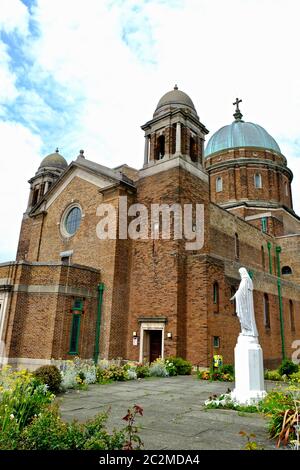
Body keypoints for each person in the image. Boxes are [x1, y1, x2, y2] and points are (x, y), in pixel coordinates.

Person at [231, 267, 258, 337]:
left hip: (245, 304)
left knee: (244, 315)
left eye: (240, 273)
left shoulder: (245, 280)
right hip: (243, 302)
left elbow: (242, 291)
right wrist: (236, 295)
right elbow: (240, 291)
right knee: (242, 316)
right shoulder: (245, 280)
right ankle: (246, 330)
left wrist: (236, 295)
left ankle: (248, 329)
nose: (240, 274)